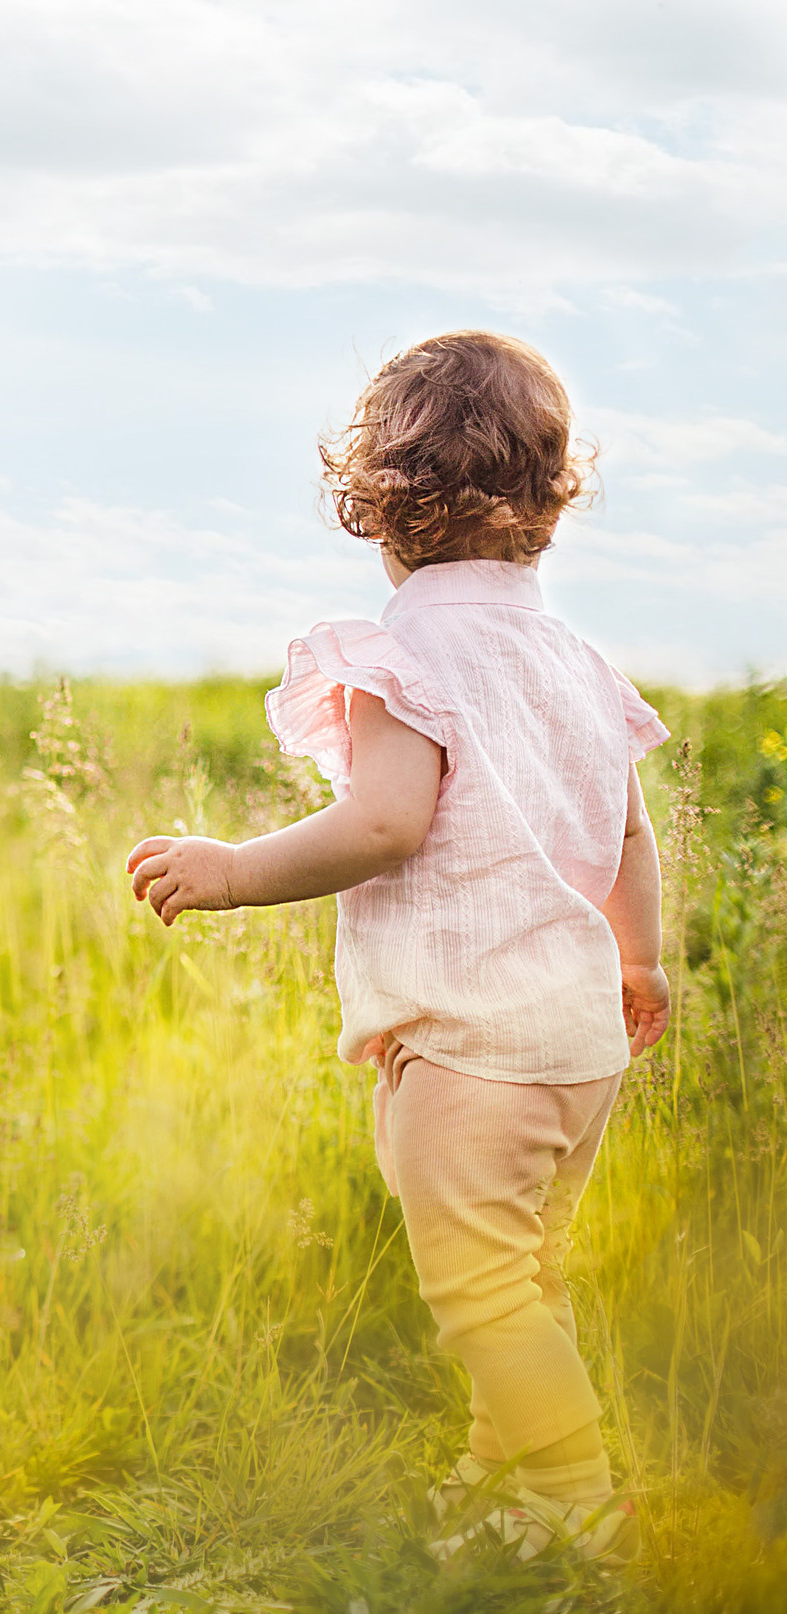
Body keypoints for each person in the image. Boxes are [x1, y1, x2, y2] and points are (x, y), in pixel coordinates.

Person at [124, 331, 668, 1564]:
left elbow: (381, 821)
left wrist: (230, 874)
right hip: (579, 1047)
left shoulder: (401, 655)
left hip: (472, 1049)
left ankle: (579, 1505)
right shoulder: (575, 663)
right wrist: (637, 964)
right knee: (524, 1274)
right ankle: (503, 1482)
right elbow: (631, 834)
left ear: (379, 498)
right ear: (547, 499)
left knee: (478, 1290)